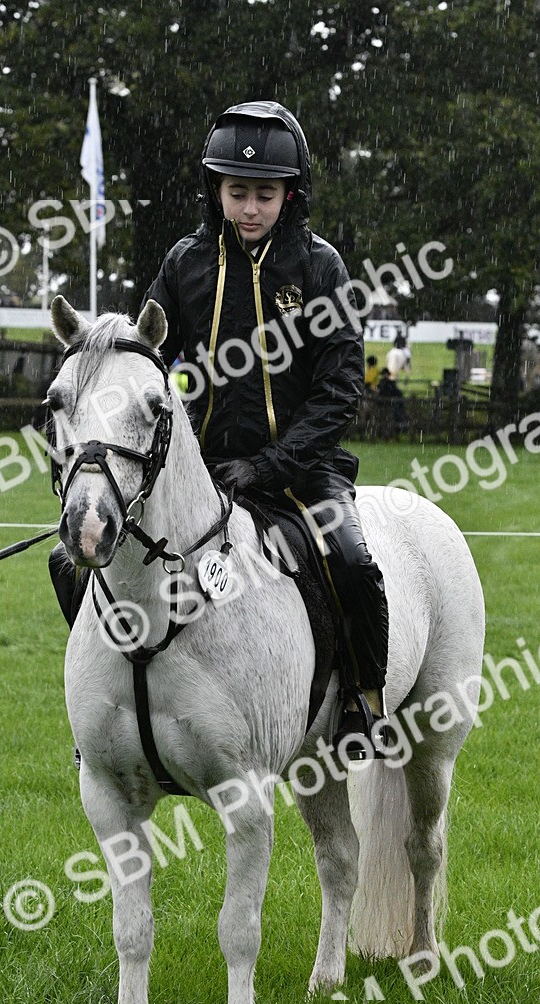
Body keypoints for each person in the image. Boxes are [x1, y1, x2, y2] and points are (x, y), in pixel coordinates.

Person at [141, 100, 390, 752]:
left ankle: (362, 702)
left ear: (290, 194)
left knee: (354, 564)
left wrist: (270, 465)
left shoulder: (319, 268)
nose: (251, 208)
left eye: (265, 195)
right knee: (76, 560)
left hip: (302, 471)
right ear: (216, 190)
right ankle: (109, 705)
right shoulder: (183, 265)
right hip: (202, 472)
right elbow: (146, 361)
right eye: (238, 192)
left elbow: (339, 392)